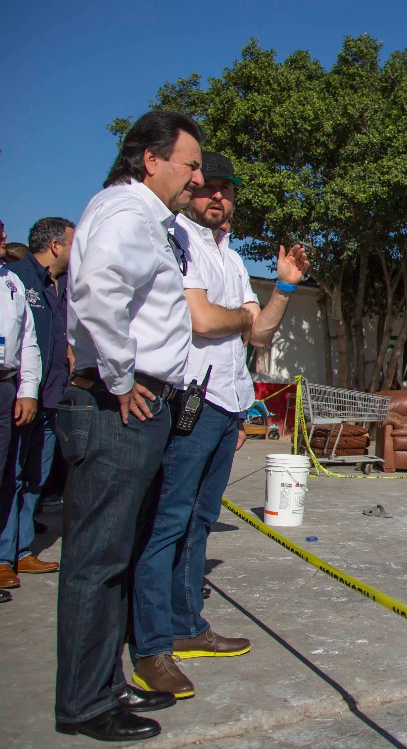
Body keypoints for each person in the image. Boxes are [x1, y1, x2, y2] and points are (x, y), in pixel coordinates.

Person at [131, 151, 309, 699]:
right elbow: (203, 319)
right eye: (209, 188)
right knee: (168, 521)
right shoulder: (176, 242)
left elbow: (257, 336)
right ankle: (151, 645)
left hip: (227, 404)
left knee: (201, 520)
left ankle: (186, 626)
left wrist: (282, 288)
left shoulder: (230, 260)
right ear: (192, 189)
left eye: (227, 191)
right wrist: (239, 319)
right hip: (190, 402)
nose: (218, 198)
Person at [55, 110, 204, 742]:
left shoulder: (148, 219)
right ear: (151, 158)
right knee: (97, 560)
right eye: (190, 163)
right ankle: (85, 705)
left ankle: (103, 682)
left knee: (117, 556)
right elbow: (94, 292)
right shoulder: (125, 213)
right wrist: (121, 379)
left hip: (140, 405)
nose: (196, 177)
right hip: (120, 407)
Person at [2, 217, 74, 583]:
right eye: (73, 245)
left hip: (50, 397)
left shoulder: (61, 284)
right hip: (19, 396)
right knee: (9, 475)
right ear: (56, 245)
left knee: (35, 477)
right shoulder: (16, 277)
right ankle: (2, 557)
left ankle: (22, 549)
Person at [0, 253, 42, 592]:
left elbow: (28, 340)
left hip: (6, 385)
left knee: (6, 474)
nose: (2, 237)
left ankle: (4, 557)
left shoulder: (11, 282)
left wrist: (27, 389)